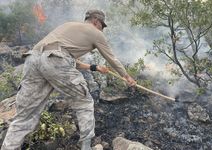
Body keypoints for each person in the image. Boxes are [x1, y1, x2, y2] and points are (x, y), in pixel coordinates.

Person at [1, 9, 136, 150]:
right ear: (96, 21)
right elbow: (111, 58)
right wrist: (127, 77)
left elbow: (56, 56)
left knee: (24, 116)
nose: (102, 29)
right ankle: (85, 146)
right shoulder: (96, 33)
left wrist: (94, 67)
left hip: (32, 59)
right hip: (54, 60)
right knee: (84, 101)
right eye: (102, 26)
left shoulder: (68, 26)